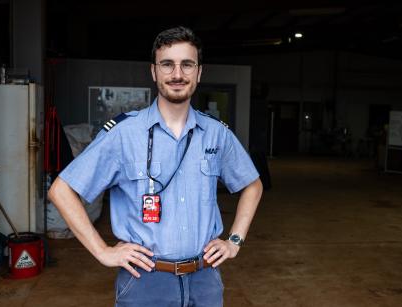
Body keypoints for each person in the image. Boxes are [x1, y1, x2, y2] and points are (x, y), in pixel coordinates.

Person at [48, 26, 263, 307]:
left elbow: (252, 184)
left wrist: (234, 240)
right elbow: (61, 190)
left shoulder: (216, 134)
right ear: (154, 72)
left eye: (187, 64)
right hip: (145, 282)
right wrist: (102, 251)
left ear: (199, 72)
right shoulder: (124, 134)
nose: (177, 74)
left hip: (205, 280)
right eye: (167, 64)